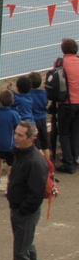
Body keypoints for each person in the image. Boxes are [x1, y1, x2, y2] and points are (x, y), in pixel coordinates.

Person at [8, 121, 49, 260]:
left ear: (31, 138)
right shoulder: (21, 154)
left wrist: (22, 209)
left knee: (21, 252)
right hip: (19, 210)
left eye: (20, 135)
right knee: (27, 247)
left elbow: (36, 193)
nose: (16, 137)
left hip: (25, 212)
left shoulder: (34, 161)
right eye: (16, 133)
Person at [54, 38, 79, 173]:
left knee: (63, 133)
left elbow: (55, 82)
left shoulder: (61, 63)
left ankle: (68, 163)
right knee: (75, 132)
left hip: (66, 103)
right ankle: (74, 159)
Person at [28, 71, 51, 160]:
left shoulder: (29, 94)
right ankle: (49, 168)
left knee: (37, 146)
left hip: (35, 122)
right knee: (45, 145)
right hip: (43, 120)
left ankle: (44, 165)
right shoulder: (44, 93)